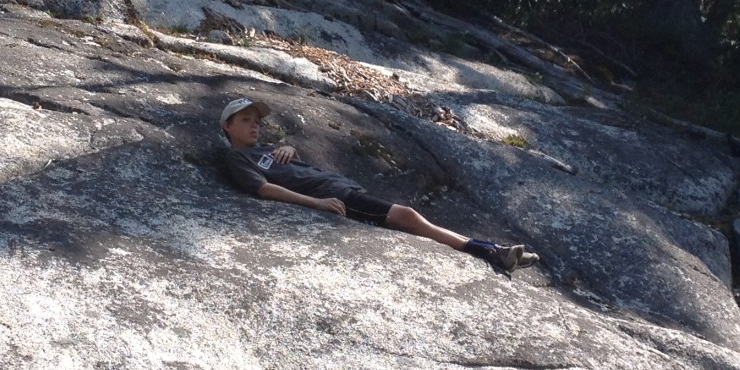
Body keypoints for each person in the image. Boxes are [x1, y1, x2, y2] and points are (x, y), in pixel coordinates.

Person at [220, 97, 540, 273]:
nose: (254, 124)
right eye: (246, 120)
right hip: (334, 196)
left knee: (409, 216)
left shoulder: (266, 150)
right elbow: (263, 189)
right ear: (227, 126)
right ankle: (491, 252)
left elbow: (286, 167)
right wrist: (316, 204)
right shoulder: (237, 159)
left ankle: (491, 249)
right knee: (408, 216)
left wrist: (290, 148)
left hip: (342, 186)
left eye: (256, 120)